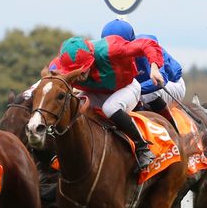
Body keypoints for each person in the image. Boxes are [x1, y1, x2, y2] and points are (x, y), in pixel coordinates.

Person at [49, 34, 165, 171]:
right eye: (73, 72)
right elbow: (45, 86)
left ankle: (142, 148)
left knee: (110, 108)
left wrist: (154, 67)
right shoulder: (56, 66)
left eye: (82, 70)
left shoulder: (112, 49)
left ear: (91, 59)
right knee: (74, 109)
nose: (79, 77)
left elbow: (147, 44)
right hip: (96, 92)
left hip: (126, 87)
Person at [101, 19, 184, 126]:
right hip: (143, 87)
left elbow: (161, 80)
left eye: (118, 47)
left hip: (172, 84)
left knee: (146, 95)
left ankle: (173, 128)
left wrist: (134, 91)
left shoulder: (145, 50)